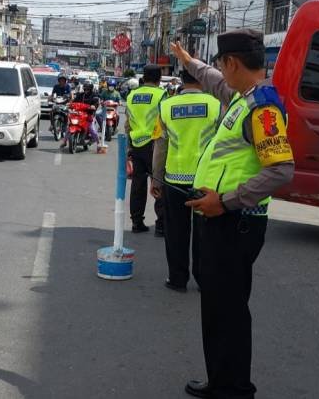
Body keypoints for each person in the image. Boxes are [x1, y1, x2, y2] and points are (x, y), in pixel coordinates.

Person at [170, 30, 295, 399]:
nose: (219, 73)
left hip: (232, 221)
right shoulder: (243, 98)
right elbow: (213, 82)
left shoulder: (263, 109)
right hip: (223, 220)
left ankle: (234, 388)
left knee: (227, 309)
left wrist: (224, 202)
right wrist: (188, 61)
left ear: (233, 63)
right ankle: (224, 381)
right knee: (220, 305)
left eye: (222, 66)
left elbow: (281, 170)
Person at [151, 69, 221, 292]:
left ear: (181, 80)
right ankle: (203, 278)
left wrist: (157, 179)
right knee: (205, 232)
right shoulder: (217, 105)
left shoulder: (166, 106)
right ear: (202, 79)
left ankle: (178, 279)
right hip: (206, 181)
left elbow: (160, 146)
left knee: (176, 232)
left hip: (174, 178)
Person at [125, 64, 166, 235]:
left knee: (138, 184)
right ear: (159, 78)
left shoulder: (132, 96)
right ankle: (161, 224)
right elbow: (165, 121)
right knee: (159, 182)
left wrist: (129, 146)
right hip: (155, 144)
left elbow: (127, 124)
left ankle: (136, 222)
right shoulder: (161, 95)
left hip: (136, 144)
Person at [60, 81, 100, 149]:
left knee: (92, 129)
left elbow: (96, 103)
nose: (86, 90)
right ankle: (64, 142)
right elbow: (74, 101)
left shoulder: (94, 95)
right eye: (85, 89)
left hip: (88, 115)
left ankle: (99, 144)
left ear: (91, 89)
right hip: (78, 114)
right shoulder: (81, 95)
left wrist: (94, 106)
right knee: (70, 126)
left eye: (88, 89)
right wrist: (69, 104)